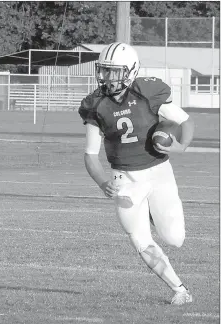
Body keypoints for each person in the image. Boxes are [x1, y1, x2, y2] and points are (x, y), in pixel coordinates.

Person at [78, 42, 195, 305]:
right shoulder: (95, 105)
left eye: (114, 71)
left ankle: (153, 212)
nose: (107, 77)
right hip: (124, 179)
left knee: (175, 239)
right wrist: (101, 181)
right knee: (139, 239)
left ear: (130, 71)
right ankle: (180, 290)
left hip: (158, 171)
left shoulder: (146, 93)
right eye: (104, 71)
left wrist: (182, 146)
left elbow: (185, 120)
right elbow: (90, 154)